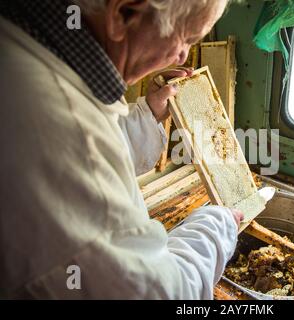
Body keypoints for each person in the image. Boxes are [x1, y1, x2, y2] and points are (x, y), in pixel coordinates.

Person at [0, 0, 243, 299]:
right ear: (124, 13)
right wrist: (217, 226)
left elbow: (96, 139)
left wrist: (149, 113)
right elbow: (161, 294)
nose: (182, 56)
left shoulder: (26, 46)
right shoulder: (59, 126)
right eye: (186, 39)